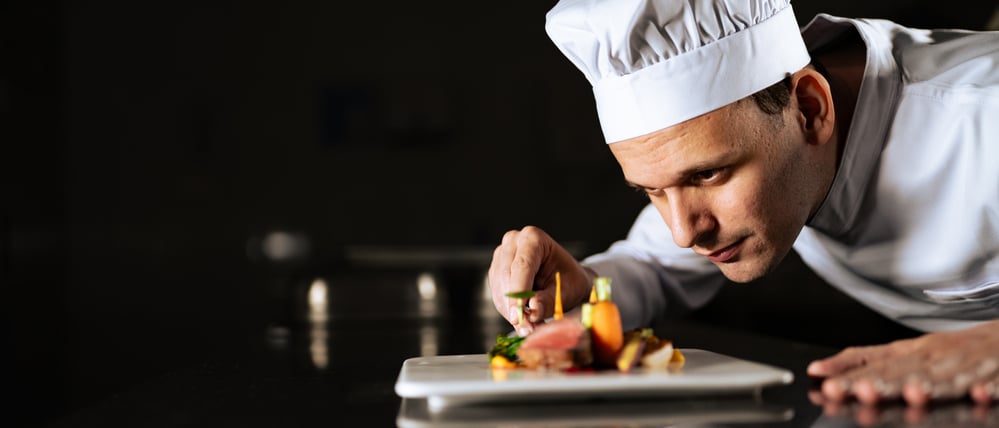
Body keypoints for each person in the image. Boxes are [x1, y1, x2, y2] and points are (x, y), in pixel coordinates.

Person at [487, 0, 999, 407]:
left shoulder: (983, 118)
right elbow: (651, 268)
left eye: (708, 174)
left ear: (810, 110)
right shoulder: (750, 157)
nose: (685, 232)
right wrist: (577, 295)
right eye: (653, 191)